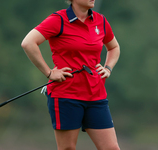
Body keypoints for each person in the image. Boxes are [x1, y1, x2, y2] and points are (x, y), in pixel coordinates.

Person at [21, 0, 120, 149]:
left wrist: (108, 68)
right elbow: (28, 43)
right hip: (66, 95)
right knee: (68, 148)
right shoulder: (58, 20)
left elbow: (114, 47)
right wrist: (49, 73)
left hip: (96, 95)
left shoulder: (101, 20)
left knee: (111, 148)